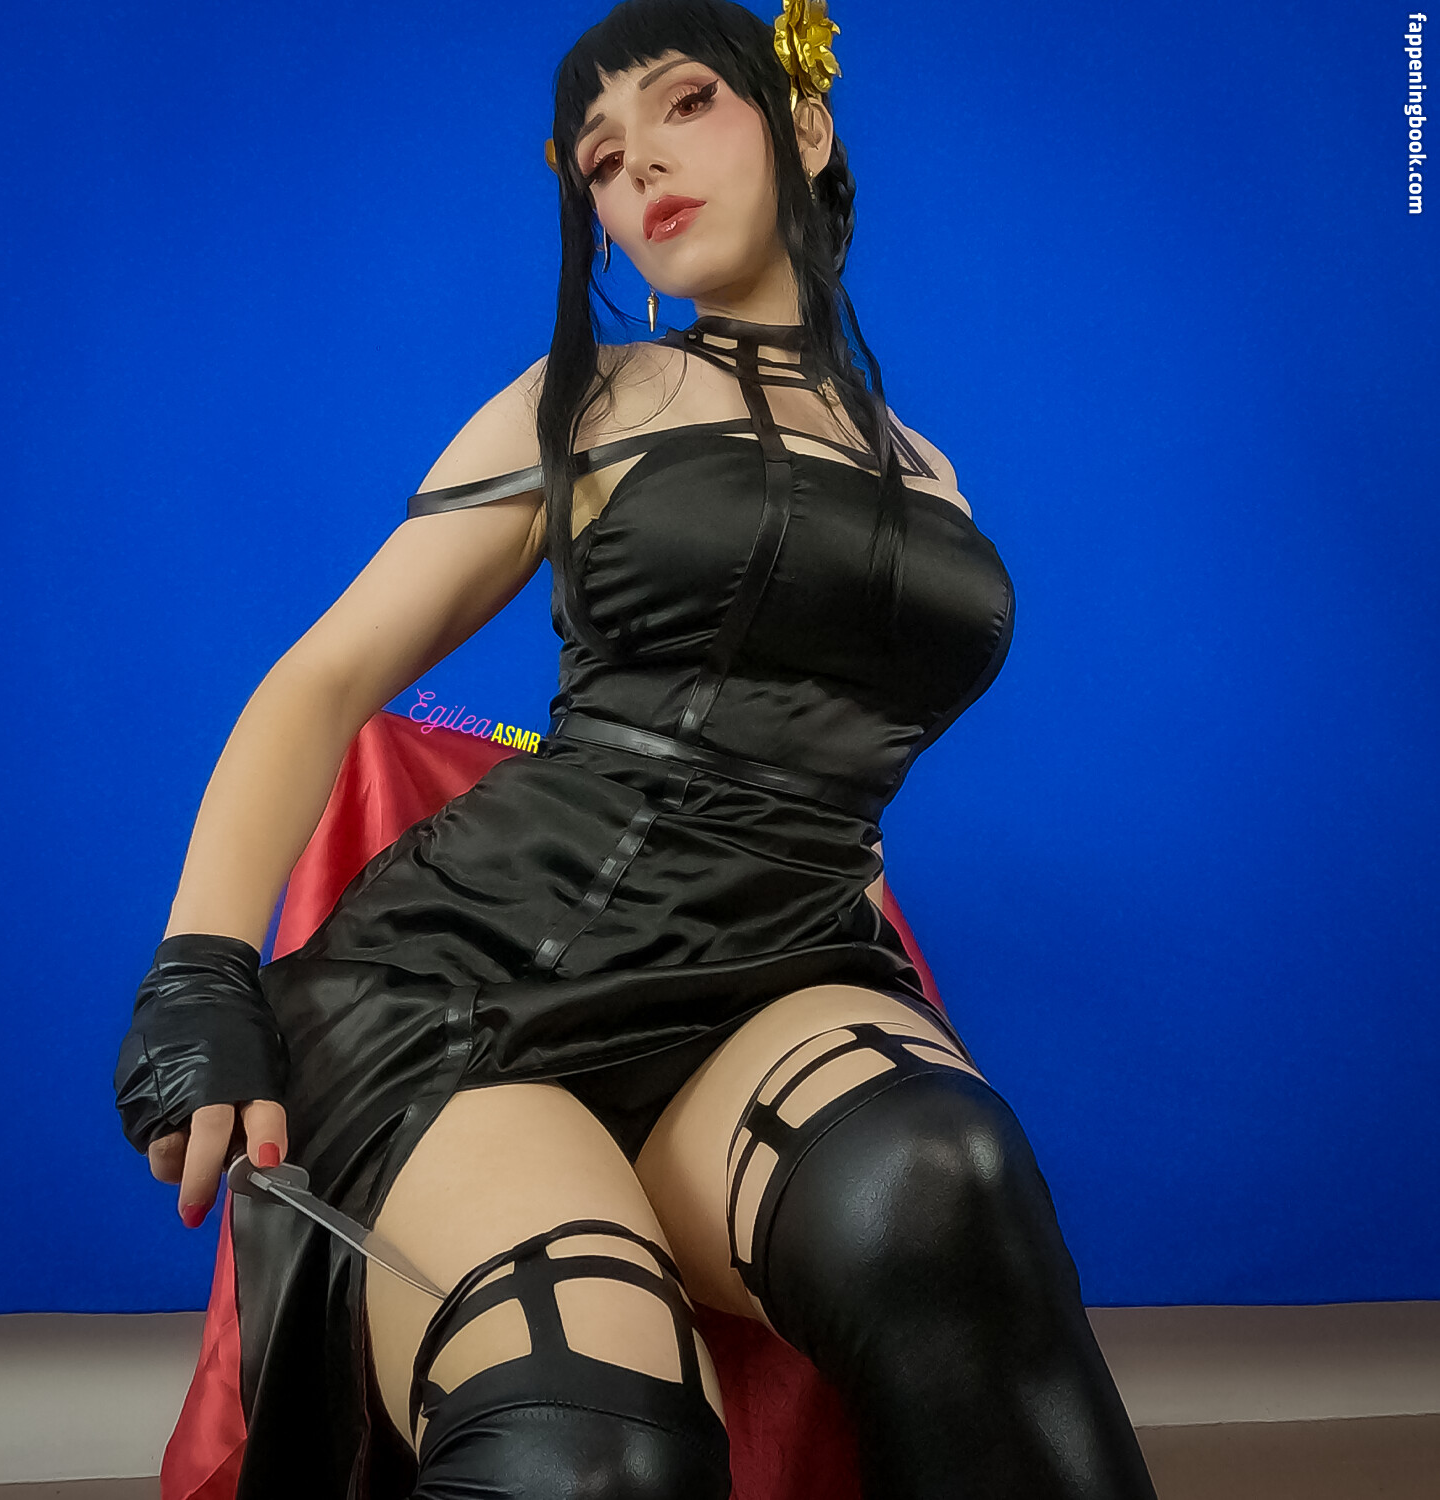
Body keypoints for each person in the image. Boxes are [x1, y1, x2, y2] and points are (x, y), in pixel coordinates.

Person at [114, 1, 1160, 1495]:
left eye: (684, 105)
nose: (641, 165)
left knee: (943, 1186)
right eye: (602, 157)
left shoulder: (927, 471)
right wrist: (199, 970)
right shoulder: (591, 401)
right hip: (478, 994)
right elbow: (325, 678)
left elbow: (821, 755)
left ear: (806, 125)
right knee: (591, 1439)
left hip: (777, 978)